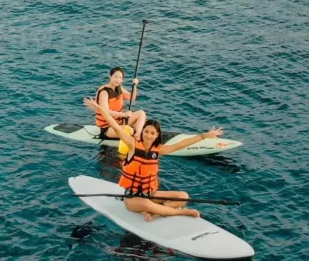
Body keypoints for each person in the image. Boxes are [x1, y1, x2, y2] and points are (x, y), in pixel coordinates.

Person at [84, 95, 224, 221]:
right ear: (142, 132)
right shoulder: (133, 144)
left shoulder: (159, 150)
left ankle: (154, 213)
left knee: (183, 196)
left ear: (157, 135)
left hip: (151, 194)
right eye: (146, 131)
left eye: (152, 133)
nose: (148, 135)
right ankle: (182, 213)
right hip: (132, 199)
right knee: (145, 203)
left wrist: (205, 136)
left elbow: (181, 144)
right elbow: (116, 126)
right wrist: (98, 108)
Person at [92, 66, 146, 141]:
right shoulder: (104, 92)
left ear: (122, 80)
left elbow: (132, 98)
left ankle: (138, 134)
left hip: (120, 121)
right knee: (129, 130)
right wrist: (124, 114)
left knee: (141, 113)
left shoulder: (118, 87)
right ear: (110, 76)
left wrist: (135, 86)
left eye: (120, 78)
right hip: (108, 128)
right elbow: (106, 112)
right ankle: (134, 133)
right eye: (115, 77)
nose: (117, 80)